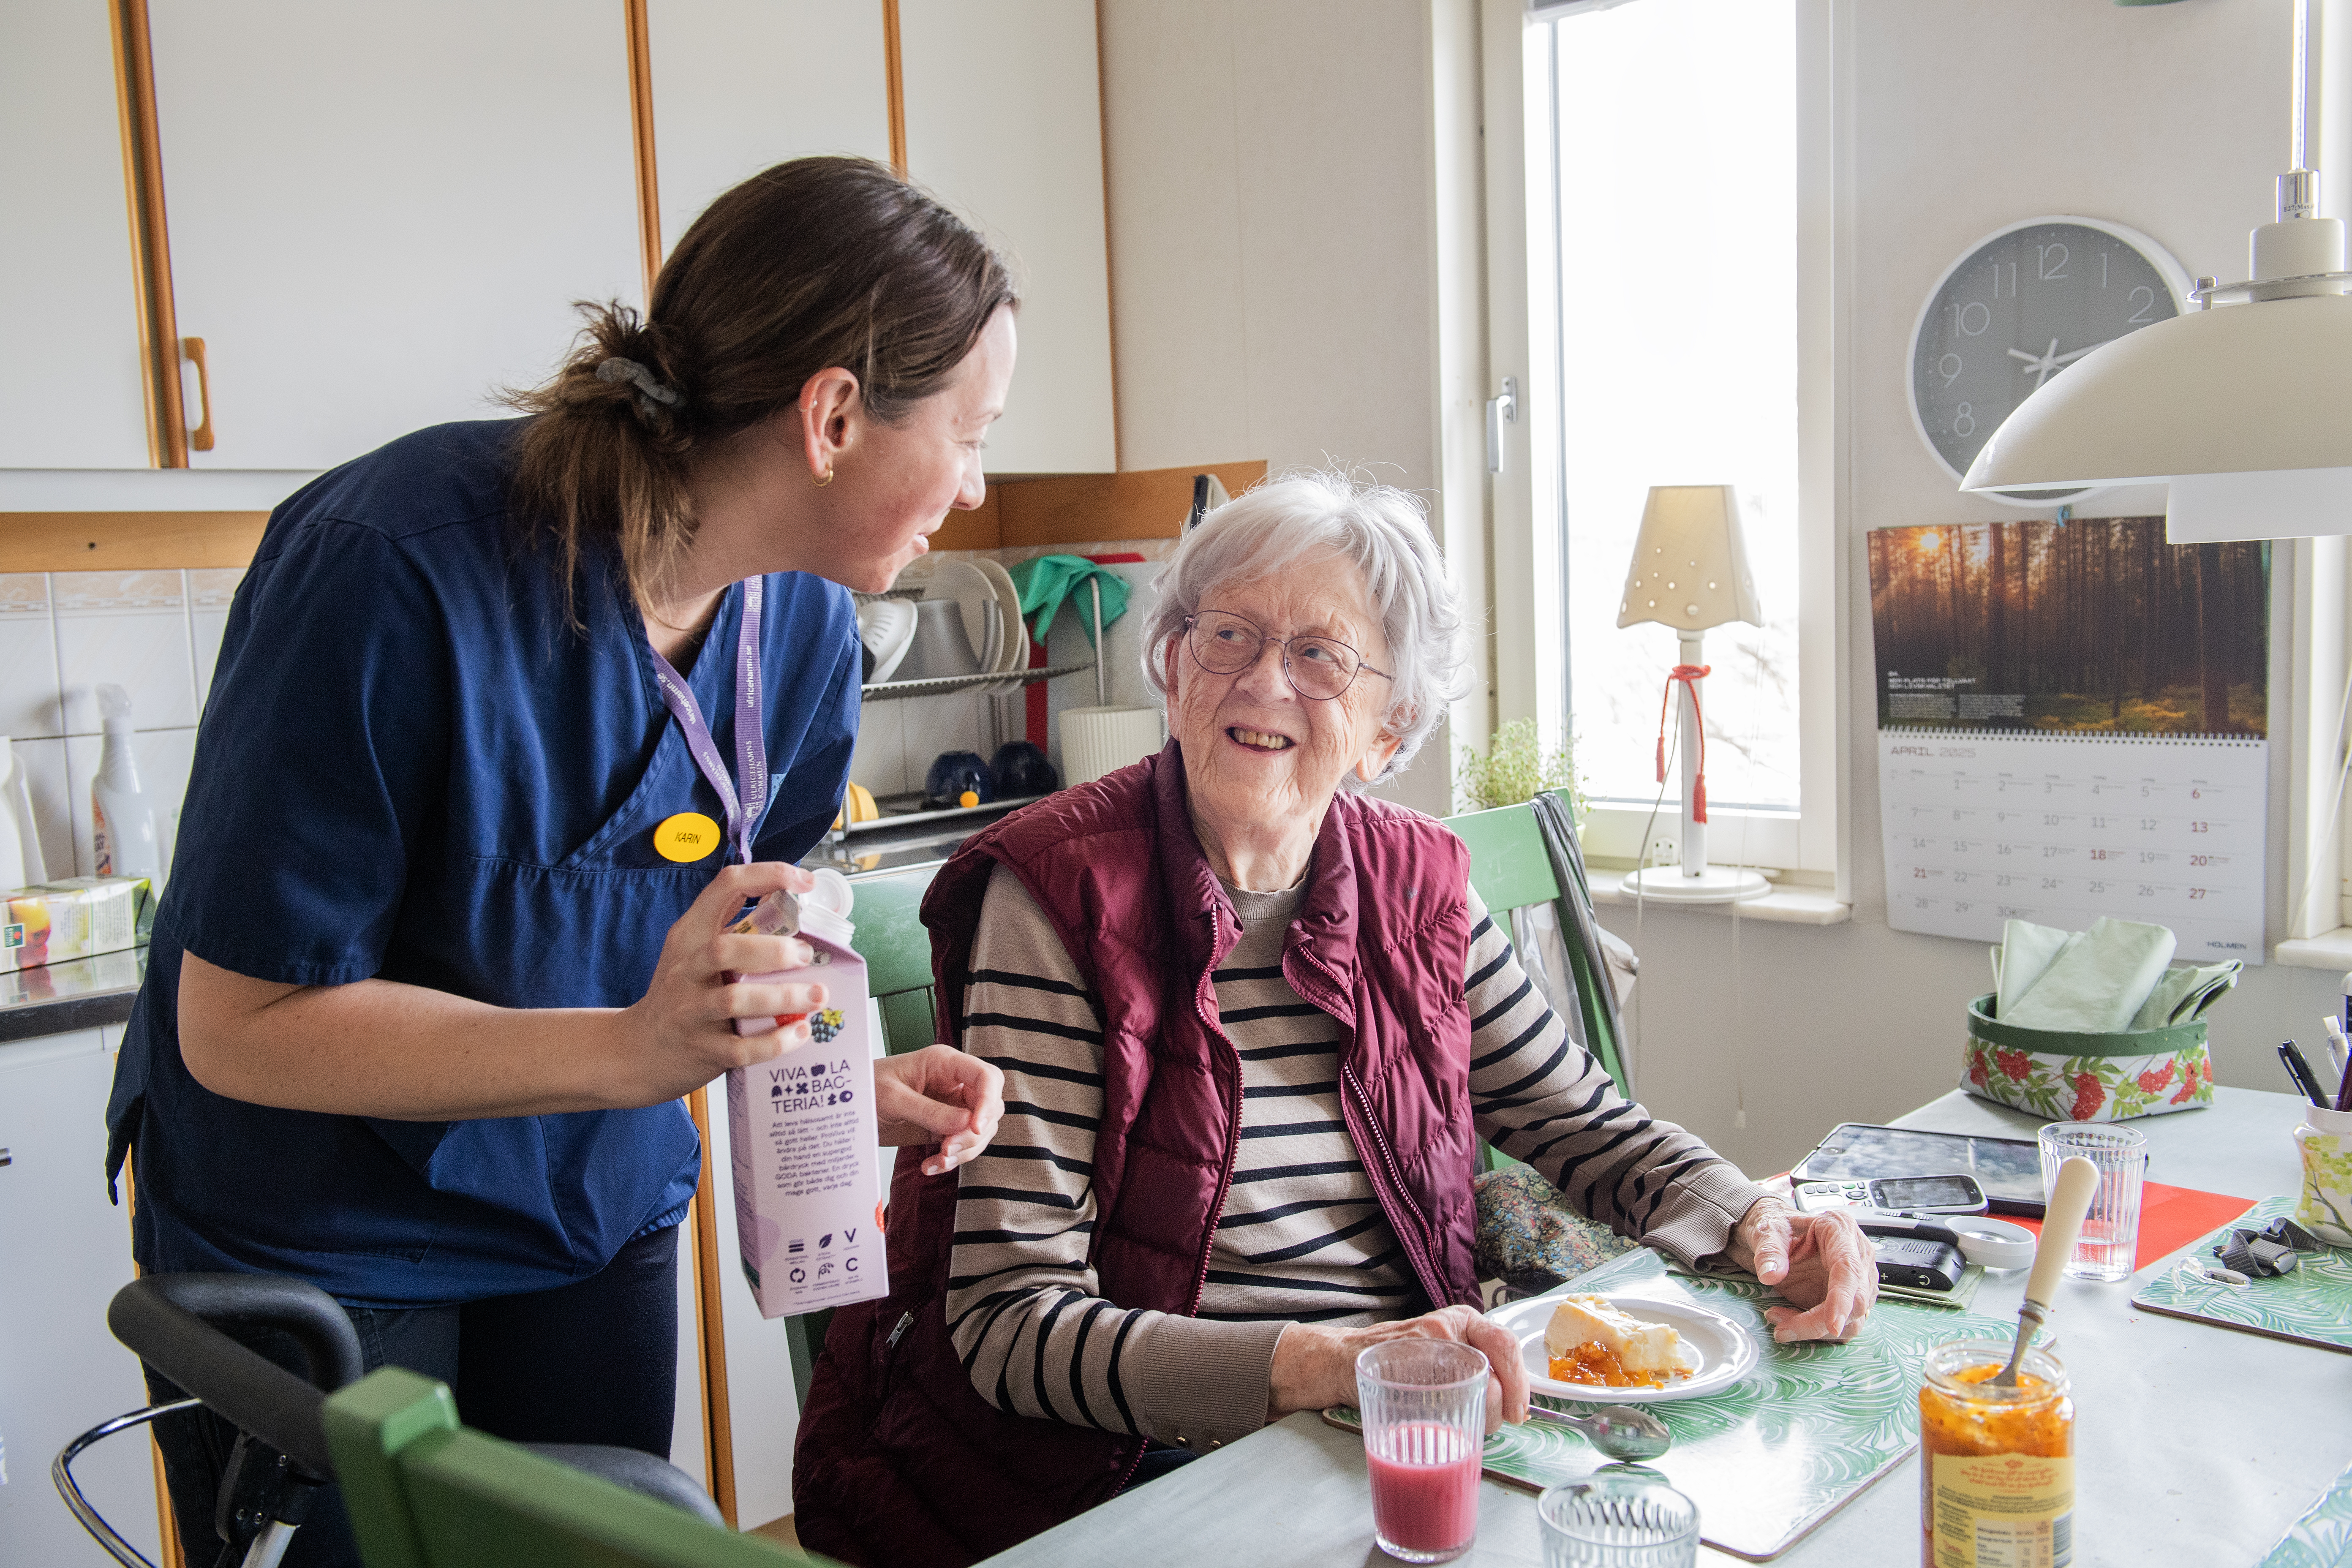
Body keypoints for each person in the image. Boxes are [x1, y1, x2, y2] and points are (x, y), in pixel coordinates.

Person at [103, 156, 1009, 1566]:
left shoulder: (808, 634)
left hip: (590, 1212)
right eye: (970, 432)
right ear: (833, 415)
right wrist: (630, 1050)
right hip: (325, 1234)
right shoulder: (393, 565)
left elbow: (733, 949)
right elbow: (237, 1026)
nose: (976, 480)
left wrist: (833, 1083)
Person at [792, 472, 1876, 1568]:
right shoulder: (1059, 896)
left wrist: (1756, 1221)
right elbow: (1010, 1321)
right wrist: (1323, 1364)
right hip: (1127, 1470)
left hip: (1393, 1434)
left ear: (1388, 725)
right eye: (1228, 635)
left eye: (1321, 655)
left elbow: (1586, 1126)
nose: (1264, 681)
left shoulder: (1421, 888)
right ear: (1172, 665)